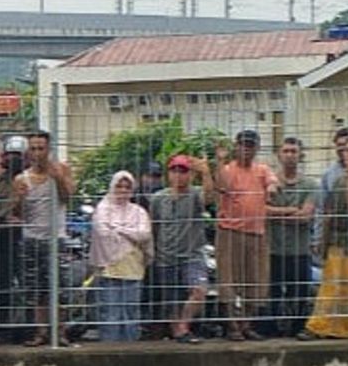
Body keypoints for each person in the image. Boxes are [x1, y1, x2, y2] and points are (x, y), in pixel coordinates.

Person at [299, 129, 348, 340]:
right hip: (336, 238)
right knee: (330, 285)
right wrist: (321, 240)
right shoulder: (336, 178)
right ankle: (319, 326)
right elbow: (328, 212)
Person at [208, 129, 279, 341]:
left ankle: (246, 324)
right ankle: (232, 326)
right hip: (230, 232)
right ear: (236, 147)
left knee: (255, 280)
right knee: (228, 279)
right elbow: (222, 187)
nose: (246, 149)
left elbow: (272, 183)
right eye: (242, 145)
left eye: (250, 145)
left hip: (256, 232)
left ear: (256, 148)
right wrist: (219, 162)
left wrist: (272, 188)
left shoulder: (262, 170)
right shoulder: (228, 169)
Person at [12, 130, 75, 346]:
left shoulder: (61, 170)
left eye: (41, 148)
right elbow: (19, 214)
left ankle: (60, 332)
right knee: (36, 289)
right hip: (32, 237)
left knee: (60, 288)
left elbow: (68, 198)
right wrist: (19, 198)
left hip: (56, 237)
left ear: (49, 149)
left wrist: (57, 178)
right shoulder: (22, 178)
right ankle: (41, 332)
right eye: (33, 148)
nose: (37, 153)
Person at [149, 154, 212, 344]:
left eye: (183, 171)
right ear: (168, 173)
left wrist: (206, 172)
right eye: (174, 170)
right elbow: (154, 226)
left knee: (199, 291)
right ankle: (178, 332)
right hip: (165, 256)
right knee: (171, 301)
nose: (178, 175)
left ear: (190, 174)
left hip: (192, 255)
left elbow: (210, 197)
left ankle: (184, 326)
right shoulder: (158, 198)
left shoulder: (195, 194)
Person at [90, 171, 152, 342]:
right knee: (110, 313)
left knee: (131, 313)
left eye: (127, 186)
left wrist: (119, 229)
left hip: (133, 268)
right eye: (119, 186)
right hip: (109, 269)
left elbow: (144, 234)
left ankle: (130, 353)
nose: (123, 190)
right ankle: (110, 353)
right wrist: (131, 233)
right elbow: (102, 233)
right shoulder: (102, 210)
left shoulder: (138, 211)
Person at [265, 137, 316, 336]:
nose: (289, 155)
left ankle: (298, 328)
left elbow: (305, 216)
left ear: (300, 155)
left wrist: (276, 214)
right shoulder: (269, 182)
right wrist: (289, 210)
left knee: (300, 293)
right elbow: (262, 211)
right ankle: (271, 329)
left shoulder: (310, 184)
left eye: (294, 151)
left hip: (300, 249)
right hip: (273, 248)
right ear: (279, 154)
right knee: (273, 293)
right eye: (285, 151)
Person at [0, 137, 26, 341]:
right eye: (9, 155)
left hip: (23, 236)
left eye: (17, 155)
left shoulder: (29, 178)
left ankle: (26, 327)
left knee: (25, 283)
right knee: (0, 284)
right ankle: (2, 326)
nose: (12, 159)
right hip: (0, 237)